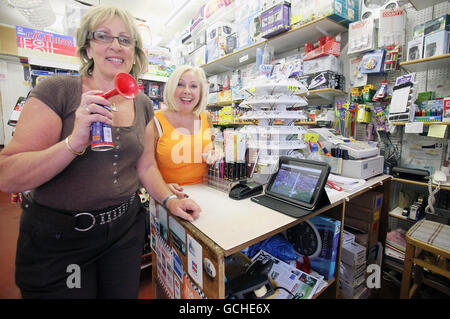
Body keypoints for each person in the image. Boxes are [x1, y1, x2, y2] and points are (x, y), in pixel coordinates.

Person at [0, 5, 195, 299]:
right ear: (88, 48)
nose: (116, 46)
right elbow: (8, 176)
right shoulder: (57, 90)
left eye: (125, 39)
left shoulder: (142, 103)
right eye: (103, 36)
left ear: (134, 52)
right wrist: (74, 143)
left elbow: (146, 167)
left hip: (124, 232)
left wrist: (168, 199)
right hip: (62, 240)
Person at [137, 65, 219, 222]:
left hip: (207, 197)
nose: (187, 90)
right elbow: (145, 167)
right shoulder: (155, 120)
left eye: (193, 86)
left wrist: (214, 154)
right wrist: (163, 188)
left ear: (201, 92)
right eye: (180, 84)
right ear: (171, 88)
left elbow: (211, 147)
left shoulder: (206, 117)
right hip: (168, 199)